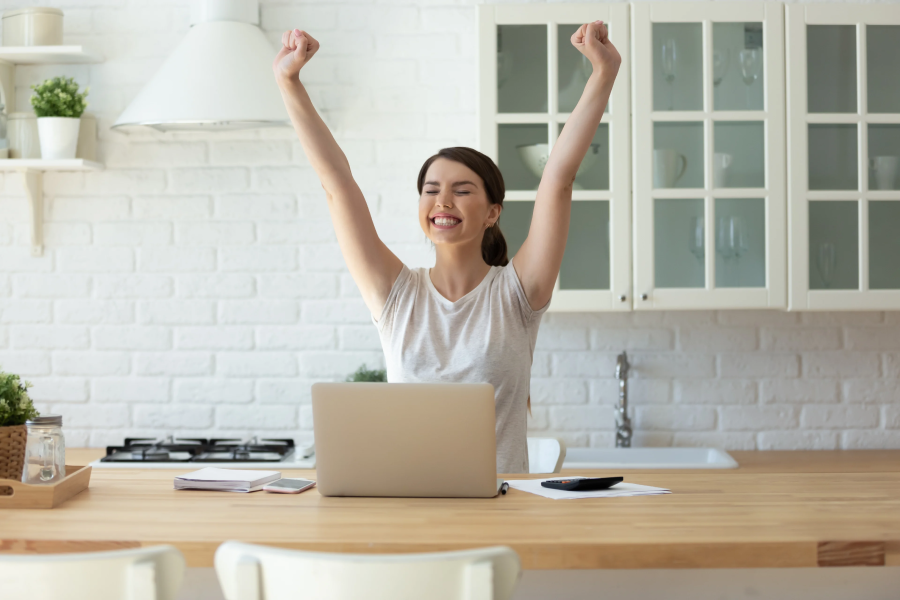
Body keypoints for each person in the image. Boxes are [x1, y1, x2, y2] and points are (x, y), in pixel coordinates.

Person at [273, 22, 621, 473]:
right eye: (431, 189)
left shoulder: (517, 294)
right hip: (408, 506)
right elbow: (338, 185)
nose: (442, 200)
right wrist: (289, 81)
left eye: (461, 190)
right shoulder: (395, 295)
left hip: (501, 509)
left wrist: (603, 73)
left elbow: (557, 179)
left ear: (492, 212)